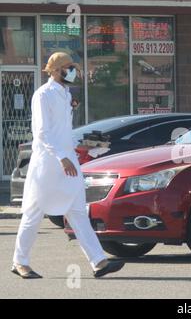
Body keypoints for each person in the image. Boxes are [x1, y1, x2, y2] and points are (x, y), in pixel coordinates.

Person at [11, 52, 124, 279]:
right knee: (34, 213)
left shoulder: (65, 94)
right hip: (47, 164)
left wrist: (86, 147)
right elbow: (42, 132)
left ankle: (98, 261)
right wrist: (62, 156)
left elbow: (64, 133)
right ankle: (20, 262)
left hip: (67, 163)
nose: (73, 71)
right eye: (69, 67)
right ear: (55, 70)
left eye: (73, 66)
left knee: (77, 212)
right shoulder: (43, 95)